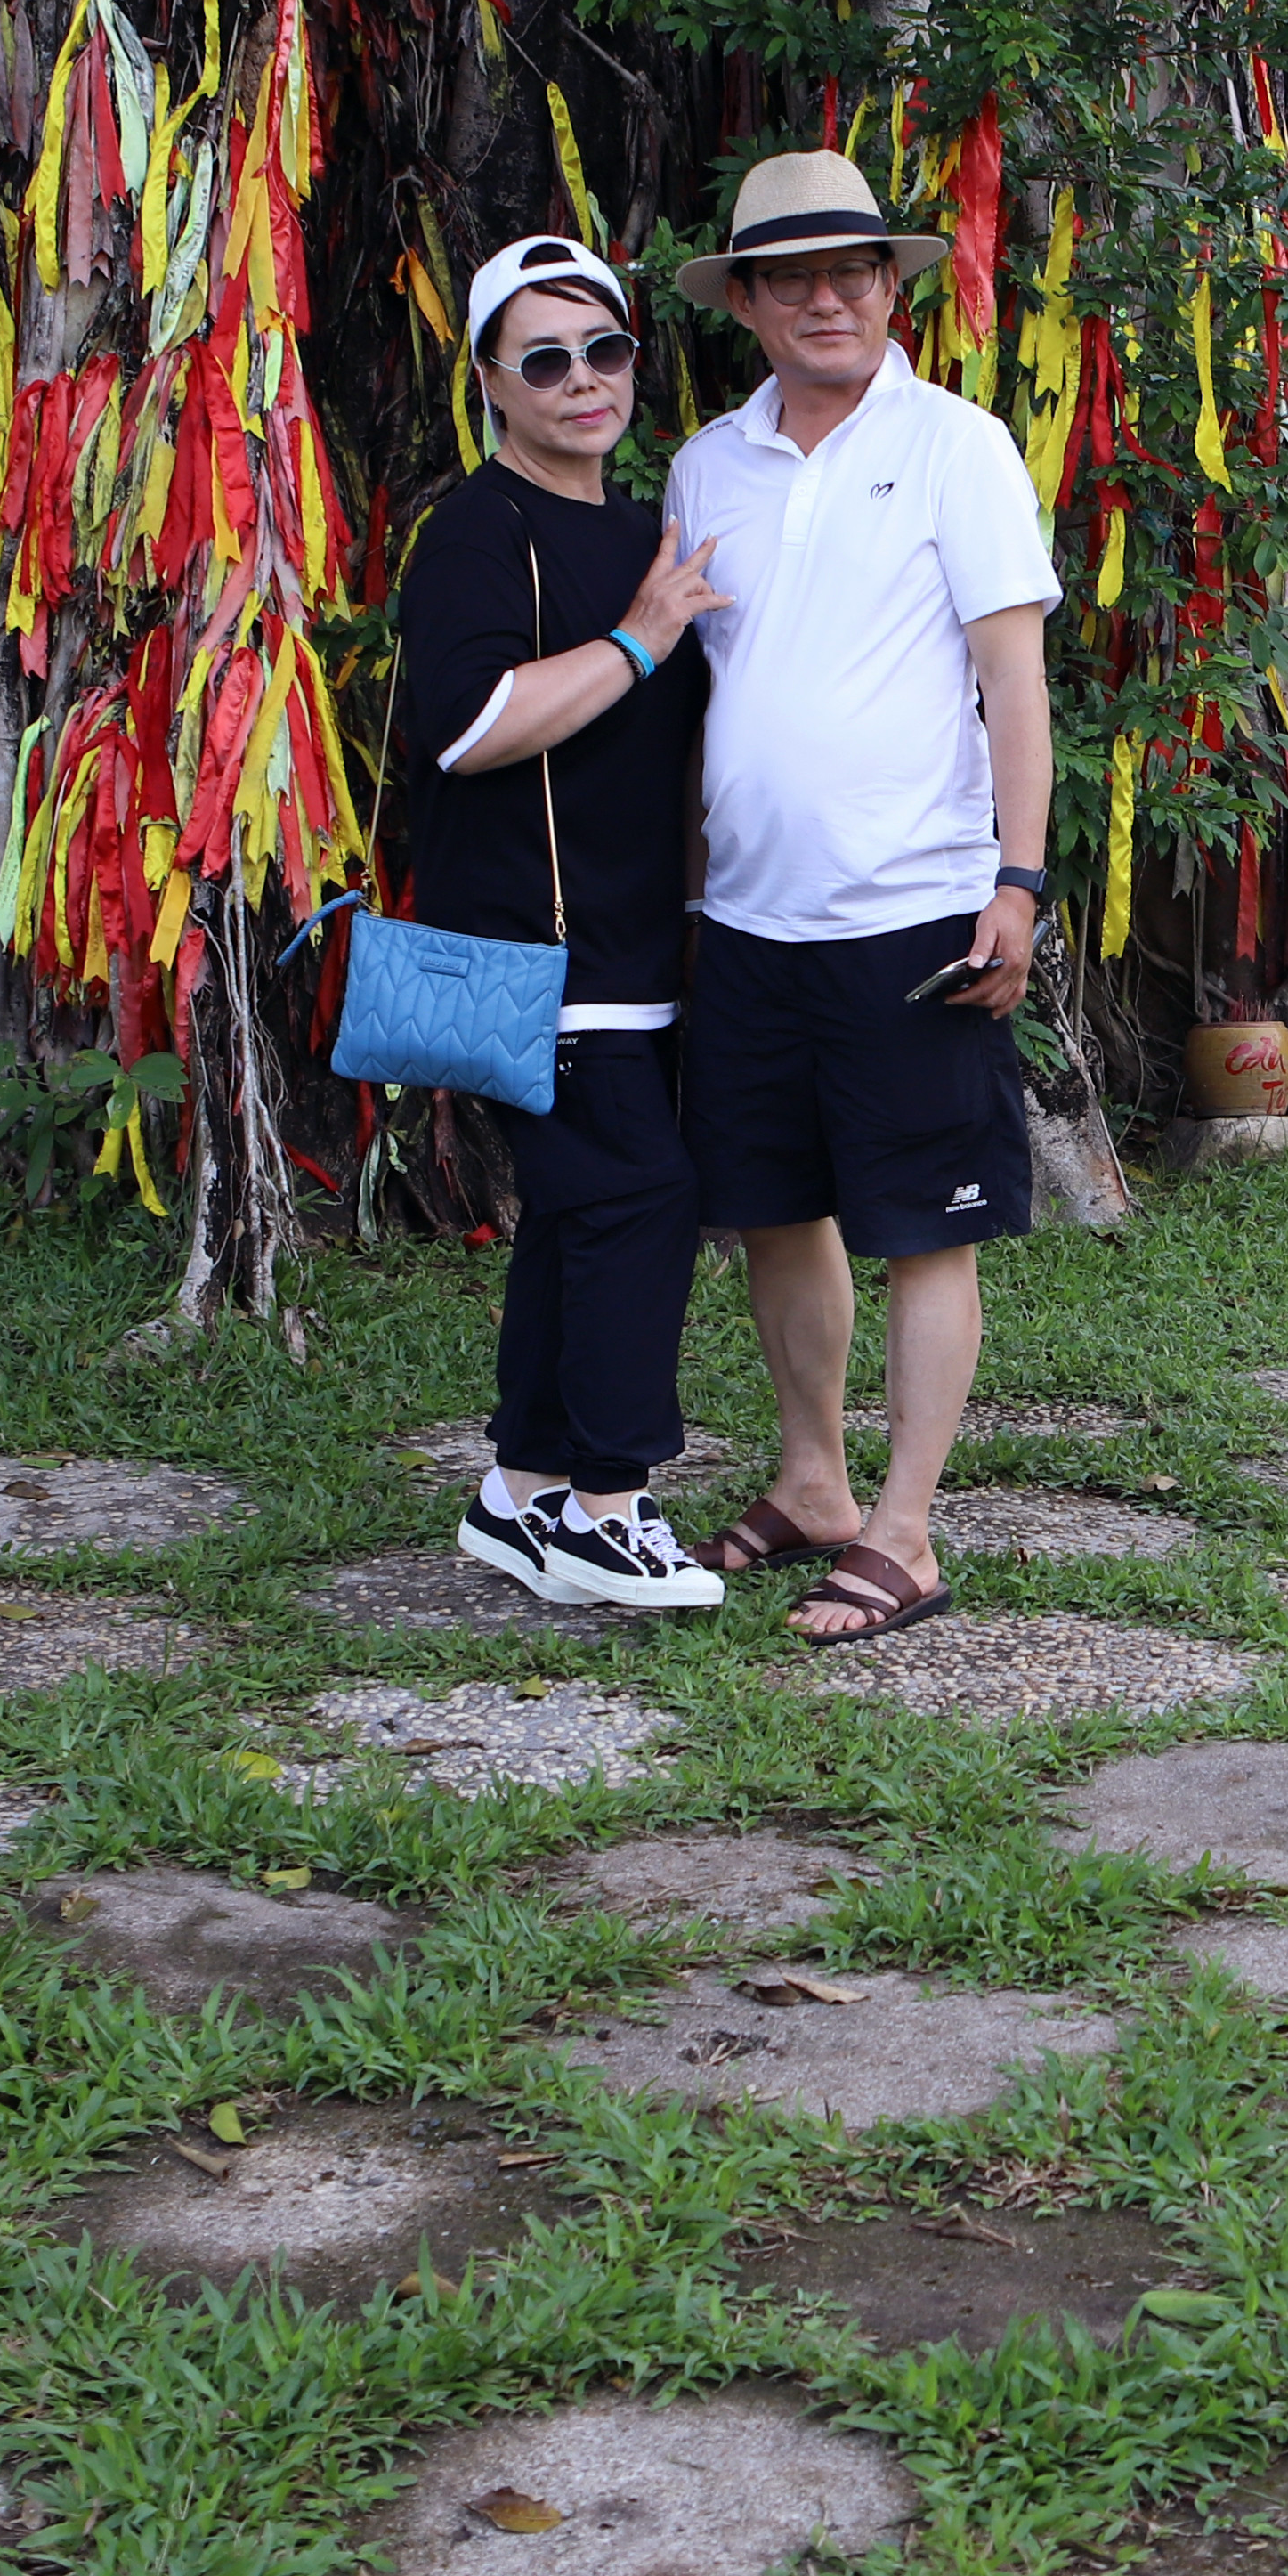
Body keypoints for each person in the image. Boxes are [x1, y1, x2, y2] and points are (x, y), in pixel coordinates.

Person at [659, 148, 1064, 1645]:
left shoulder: (959, 446)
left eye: (857, 271)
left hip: (917, 908)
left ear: (894, 288)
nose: (829, 297)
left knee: (923, 1225)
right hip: (751, 920)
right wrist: (692, 894)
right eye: (793, 277)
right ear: (750, 304)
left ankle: (908, 1530)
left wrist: (1015, 884)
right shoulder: (708, 465)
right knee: (773, 1213)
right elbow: (703, 689)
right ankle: (815, 1481)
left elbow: (1012, 679)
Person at [390, 236, 733, 1611]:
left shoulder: (636, 525)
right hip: (526, 951)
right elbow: (462, 728)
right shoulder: (482, 529)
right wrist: (644, 640)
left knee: (576, 1213)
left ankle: (518, 1491)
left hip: (629, 944)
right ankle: (607, 1505)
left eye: (606, 350)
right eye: (545, 358)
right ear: (490, 381)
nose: (583, 380)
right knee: (642, 1200)